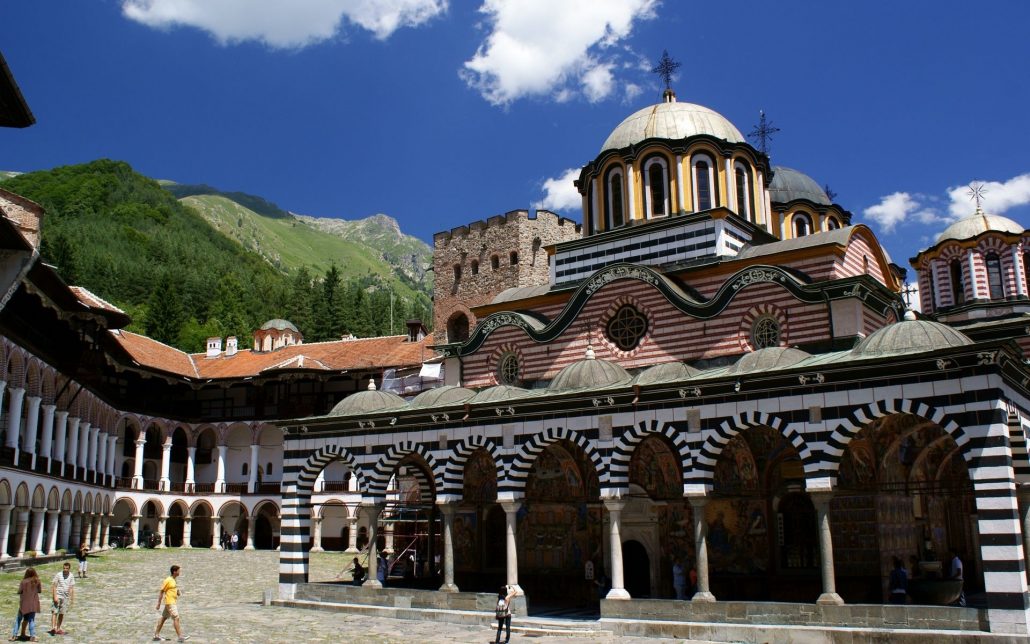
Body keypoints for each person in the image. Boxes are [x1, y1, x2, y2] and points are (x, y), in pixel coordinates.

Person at [153, 565, 189, 642]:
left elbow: (174, 587)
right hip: (170, 603)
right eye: (179, 571)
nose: (180, 572)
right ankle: (180, 637)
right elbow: (161, 591)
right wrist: (159, 603)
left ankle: (156, 635)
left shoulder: (173, 579)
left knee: (163, 618)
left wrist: (178, 592)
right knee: (176, 617)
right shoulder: (168, 580)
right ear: (174, 572)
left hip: (171, 602)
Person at [11, 567, 41, 642]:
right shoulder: (37, 581)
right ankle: (32, 636)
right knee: (31, 620)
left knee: (18, 619)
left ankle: (14, 635)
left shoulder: (23, 582)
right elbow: (39, 591)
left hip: (24, 604)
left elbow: (19, 591)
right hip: (33, 603)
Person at [48, 563, 74, 636]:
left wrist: (71, 598)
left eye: (67, 568)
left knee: (62, 613)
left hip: (65, 597)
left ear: (69, 569)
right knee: (54, 611)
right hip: (58, 595)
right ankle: (53, 628)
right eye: (64, 568)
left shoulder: (71, 576)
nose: (65, 570)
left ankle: (58, 628)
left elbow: (71, 587)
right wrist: (54, 596)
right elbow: (54, 586)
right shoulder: (59, 575)